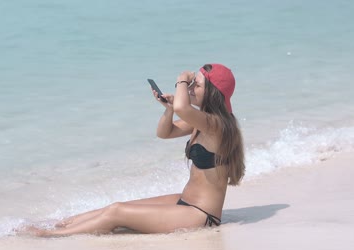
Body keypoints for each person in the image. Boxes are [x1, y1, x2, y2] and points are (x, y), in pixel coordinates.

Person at [18, 63, 245, 237]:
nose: (192, 87)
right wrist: (168, 110)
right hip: (185, 202)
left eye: (197, 84)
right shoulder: (203, 121)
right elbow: (164, 133)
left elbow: (182, 106)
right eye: (192, 83)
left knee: (117, 212)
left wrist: (181, 80)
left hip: (200, 216)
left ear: (213, 93)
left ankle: (52, 237)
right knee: (116, 207)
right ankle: (62, 223)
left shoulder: (217, 125)